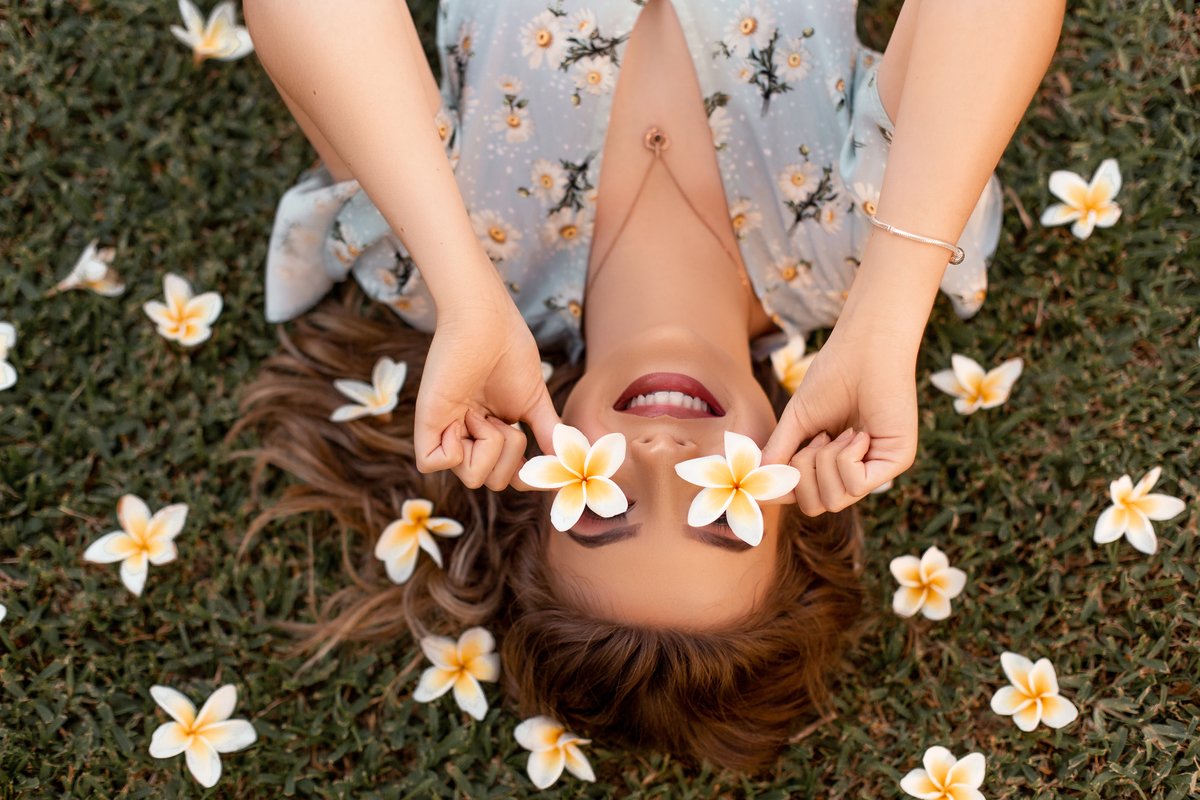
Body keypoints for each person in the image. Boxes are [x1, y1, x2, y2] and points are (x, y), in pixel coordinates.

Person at [237, 0, 1065, 770]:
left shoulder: (449, 259)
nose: (665, 456)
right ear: (791, 497)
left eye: (600, 504)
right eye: (721, 507)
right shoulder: (865, 246)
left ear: (533, 490)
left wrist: (459, 280)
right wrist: (891, 310)